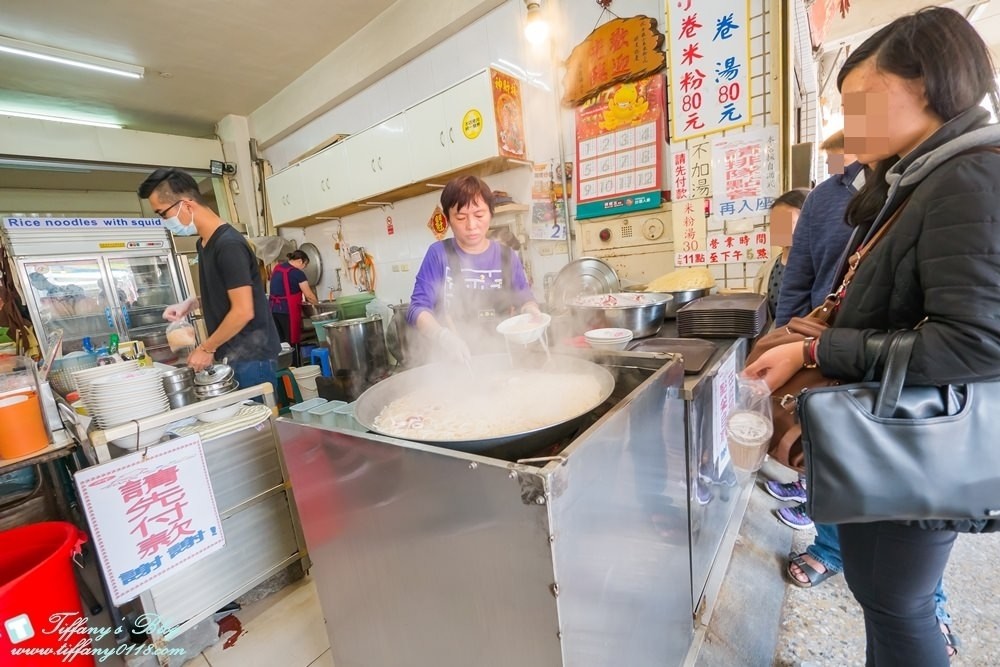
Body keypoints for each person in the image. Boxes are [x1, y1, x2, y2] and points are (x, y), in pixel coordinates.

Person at [745, 7, 1000, 664]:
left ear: (926, 82)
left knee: (900, 601)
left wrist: (812, 349)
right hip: (890, 426)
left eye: (860, 99)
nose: (849, 119)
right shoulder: (913, 178)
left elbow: (975, 344)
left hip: (914, 437)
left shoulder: (970, 178)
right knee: (885, 593)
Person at [138, 168, 281, 391]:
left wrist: (206, 348)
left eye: (162, 214)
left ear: (185, 204)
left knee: (258, 424)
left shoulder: (228, 245)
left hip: (252, 357)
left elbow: (243, 310)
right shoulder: (204, 243)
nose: (163, 221)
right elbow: (227, 292)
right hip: (232, 354)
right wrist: (192, 303)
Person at [407, 175, 540, 363]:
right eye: (461, 217)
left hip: (503, 360)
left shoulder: (506, 256)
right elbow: (417, 309)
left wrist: (532, 311)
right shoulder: (439, 254)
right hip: (453, 364)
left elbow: (524, 298)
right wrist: (443, 336)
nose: (471, 226)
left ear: (490, 214)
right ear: (448, 219)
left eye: (479, 215)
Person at [753, 189, 809, 319]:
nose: (778, 228)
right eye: (775, 222)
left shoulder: (820, 267)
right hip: (774, 337)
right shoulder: (766, 270)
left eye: (786, 221)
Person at [269, 249, 319, 366]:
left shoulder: (277, 268)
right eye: (305, 265)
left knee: (281, 343)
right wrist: (317, 306)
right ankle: (295, 369)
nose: (304, 268)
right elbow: (309, 295)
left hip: (274, 310)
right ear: (301, 261)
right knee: (292, 342)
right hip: (288, 312)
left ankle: (284, 370)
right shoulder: (297, 273)